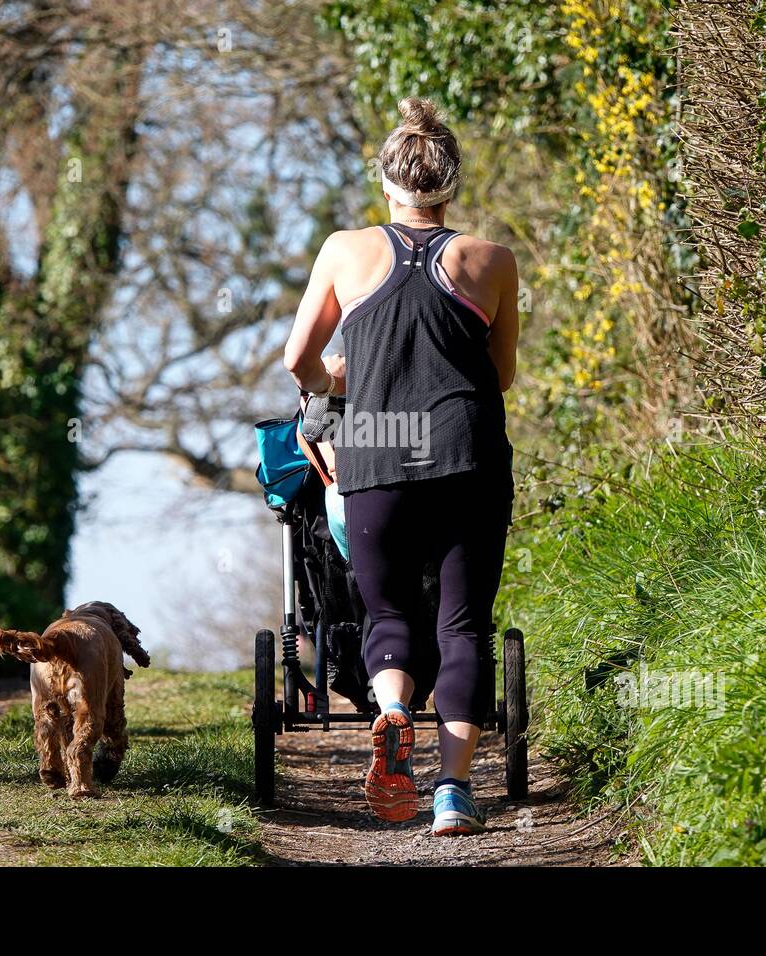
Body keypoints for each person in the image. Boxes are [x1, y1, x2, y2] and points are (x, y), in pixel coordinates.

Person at [283, 97, 519, 836]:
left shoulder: (344, 250)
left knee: (384, 613)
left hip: (376, 456)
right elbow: (501, 374)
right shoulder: (492, 260)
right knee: (463, 626)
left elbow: (298, 361)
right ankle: (453, 793)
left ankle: (391, 712)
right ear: (451, 185)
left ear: (387, 184)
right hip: (468, 455)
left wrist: (336, 384)